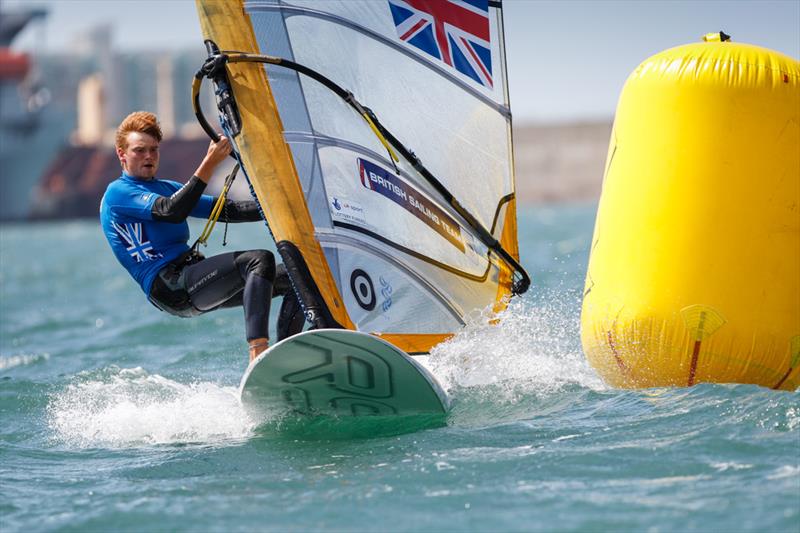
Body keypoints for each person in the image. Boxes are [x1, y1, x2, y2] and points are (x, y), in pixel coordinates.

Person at [100, 111, 304, 361]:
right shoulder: (118, 193)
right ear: (121, 154)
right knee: (258, 260)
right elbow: (171, 211)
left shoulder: (166, 188)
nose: (149, 157)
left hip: (193, 276)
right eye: (139, 150)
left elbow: (230, 210)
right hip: (170, 285)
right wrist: (209, 163)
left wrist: (290, 204)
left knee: (299, 277)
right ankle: (258, 352)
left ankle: (286, 358)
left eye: (154, 150)